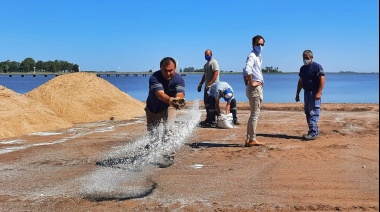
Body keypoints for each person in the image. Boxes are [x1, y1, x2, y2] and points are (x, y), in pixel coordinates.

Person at [145, 57, 186, 167]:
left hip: (169, 106)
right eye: (165, 70)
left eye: (171, 70)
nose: (168, 73)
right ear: (160, 69)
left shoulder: (179, 79)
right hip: (153, 108)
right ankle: (151, 152)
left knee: (169, 129)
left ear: (175, 69)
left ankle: (168, 157)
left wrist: (178, 100)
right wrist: (171, 100)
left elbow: (180, 93)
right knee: (153, 133)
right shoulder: (154, 78)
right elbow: (160, 95)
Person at [295, 50, 325, 141]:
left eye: (307, 58)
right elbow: (300, 82)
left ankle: (313, 133)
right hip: (306, 92)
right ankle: (312, 130)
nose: (305, 60)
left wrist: (319, 92)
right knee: (308, 112)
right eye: (304, 58)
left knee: (313, 112)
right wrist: (297, 94)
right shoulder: (302, 68)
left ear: (311, 57)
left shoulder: (317, 67)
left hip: (314, 92)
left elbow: (322, 79)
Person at [243, 35, 265, 147]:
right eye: (258, 44)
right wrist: (251, 83)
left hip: (255, 87)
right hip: (254, 88)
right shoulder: (252, 55)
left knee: (253, 114)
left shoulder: (258, 56)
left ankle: (249, 138)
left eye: (262, 44)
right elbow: (247, 70)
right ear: (253, 44)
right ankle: (252, 139)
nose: (260, 46)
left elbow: (244, 71)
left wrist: (247, 82)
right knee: (255, 114)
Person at [197, 49, 220, 127]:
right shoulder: (206, 64)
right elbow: (205, 75)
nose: (207, 56)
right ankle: (209, 118)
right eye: (206, 55)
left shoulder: (214, 63)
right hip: (207, 86)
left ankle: (213, 119)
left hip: (213, 86)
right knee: (206, 102)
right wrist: (200, 84)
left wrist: (210, 83)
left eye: (208, 54)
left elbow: (216, 73)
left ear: (211, 54)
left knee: (212, 103)